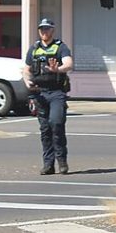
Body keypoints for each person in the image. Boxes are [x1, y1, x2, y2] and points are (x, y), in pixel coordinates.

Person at [24, 18, 74, 175]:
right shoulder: (34, 48)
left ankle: (62, 161)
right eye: (41, 29)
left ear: (52, 30)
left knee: (56, 124)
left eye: (47, 29)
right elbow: (26, 69)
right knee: (45, 129)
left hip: (57, 92)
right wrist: (27, 82)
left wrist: (57, 69)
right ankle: (48, 164)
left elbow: (69, 64)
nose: (44, 32)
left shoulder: (60, 47)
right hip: (39, 93)